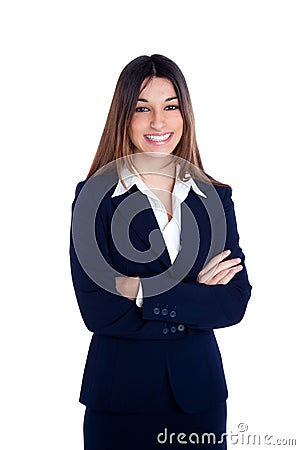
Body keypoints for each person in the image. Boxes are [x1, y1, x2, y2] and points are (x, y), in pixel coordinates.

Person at [69, 54, 252, 450]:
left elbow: (233, 303)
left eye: (170, 107)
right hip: (119, 402)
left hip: (199, 402)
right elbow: (98, 310)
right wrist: (195, 297)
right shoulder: (93, 200)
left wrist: (141, 290)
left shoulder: (215, 199)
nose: (158, 122)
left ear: (184, 114)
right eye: (142, 108)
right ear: (123, 115)